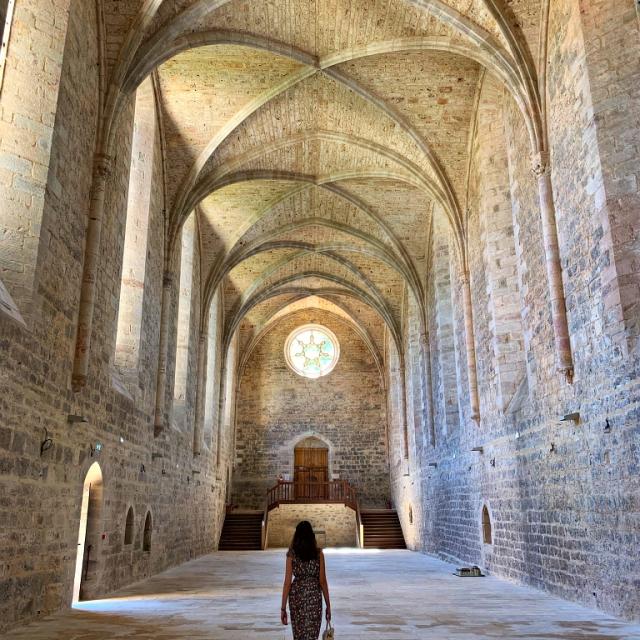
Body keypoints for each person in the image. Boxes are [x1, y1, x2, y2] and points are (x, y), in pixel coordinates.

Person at [280, 521, 331, 639]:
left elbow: (287, 583)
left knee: (299, 634)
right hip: (314, 597)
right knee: (312, 634)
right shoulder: (319, 554)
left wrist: (283, 608)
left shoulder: (291, 554)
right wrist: (328, 605)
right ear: (311, 536)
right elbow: (322, 581)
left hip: (296, 597)